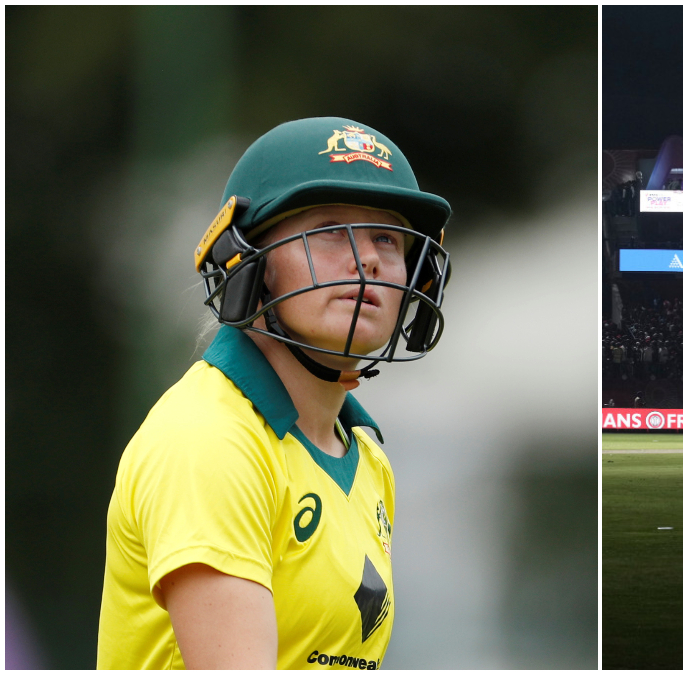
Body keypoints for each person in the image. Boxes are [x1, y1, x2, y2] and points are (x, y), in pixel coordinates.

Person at [98, 117, 452, 669]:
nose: (370, 260)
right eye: (331, 229)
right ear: (252, 265)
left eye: (387, 236)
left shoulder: (367, 459)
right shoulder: (209, 441)